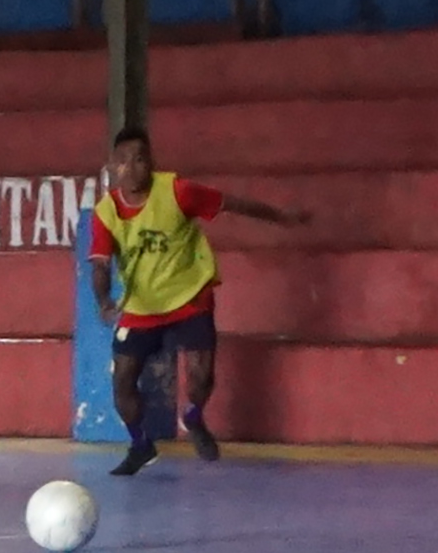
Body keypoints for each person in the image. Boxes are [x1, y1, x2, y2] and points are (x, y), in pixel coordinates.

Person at [89, 124, 307, 476]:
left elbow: (233, 204)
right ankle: (140, 445)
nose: (132, 167)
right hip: (142, 307)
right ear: (112, 167)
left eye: (140, 159)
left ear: (152, 162)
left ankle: (192, 415)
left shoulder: (177, 192)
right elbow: (99, 265)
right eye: (123, 161)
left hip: (189, 296)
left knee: (201, 375)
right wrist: (103, 300)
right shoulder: (106, 213)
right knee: (122, 384)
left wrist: (282, 218)